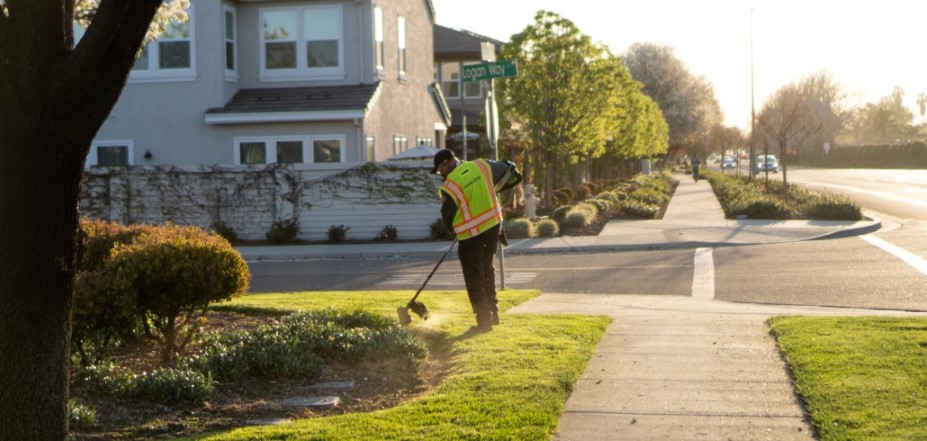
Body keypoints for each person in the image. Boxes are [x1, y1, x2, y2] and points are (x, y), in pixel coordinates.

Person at [431, 148, 522, 332]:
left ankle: (483, 321)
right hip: (493, 227)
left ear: (445, 164)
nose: (440, 174)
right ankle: (493, 314)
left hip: (470, 236)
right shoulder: (481, 165)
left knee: (474, 277)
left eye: (440, 170)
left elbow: (447, 219)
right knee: (487, 269)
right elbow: (510, 170)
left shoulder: (449, 186)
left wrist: (456, 229)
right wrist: (497, 188)